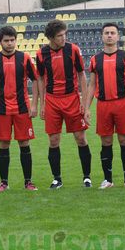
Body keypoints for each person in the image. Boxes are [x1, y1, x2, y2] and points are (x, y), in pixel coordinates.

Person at [0, 26, 39, 192]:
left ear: (16, 40)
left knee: (24, 143)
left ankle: (28, 182)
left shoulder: (25, 58)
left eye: (12, 40)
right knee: (4, 144)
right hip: (2, 109)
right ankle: (4, 183)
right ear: (0, 42)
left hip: (22, 108)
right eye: (6, 41)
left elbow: (35, 80)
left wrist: (34, 104)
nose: (10, 43)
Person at [36, 19, 92, 189]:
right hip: (52, 100)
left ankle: (87, 177)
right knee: (53, 140)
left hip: (72, 99)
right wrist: (42, 104)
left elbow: (82, 75)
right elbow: (40, 78)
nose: (63, 38)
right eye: (60, 36)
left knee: (81, 138)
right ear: (51, 38)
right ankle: (57, 178)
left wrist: (84, 101)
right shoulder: (41, 54)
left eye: (64, 34)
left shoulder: (73, 50)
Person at [84, 23, 125, 189]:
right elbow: (92, 85)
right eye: (106, 33)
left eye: (113, 33)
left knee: (124, 139)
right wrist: (87, 107)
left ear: (118, 36)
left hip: (122, 103)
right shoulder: (95, 59)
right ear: (102, 36)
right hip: (103, 105)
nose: (109, 35)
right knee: (106, 141)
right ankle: (107, 179)